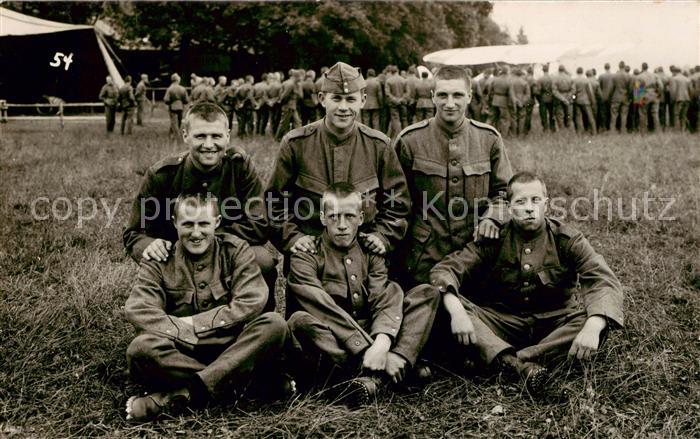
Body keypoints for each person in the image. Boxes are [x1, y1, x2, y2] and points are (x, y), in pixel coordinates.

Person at [430, 172, 624, 395]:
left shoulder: (567, 239)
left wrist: (594, 324)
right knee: (451, 305)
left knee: (595, 320)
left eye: (535, 200)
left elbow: (602, 279)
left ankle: (507, 362)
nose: (529, 208)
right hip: (502, 323)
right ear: (509, 208)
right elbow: (446, 270)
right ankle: (525, 368)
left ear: (546, 204)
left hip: (553, 325)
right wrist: (457, 312)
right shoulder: (495, 239)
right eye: (520, 202)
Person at [124, 193, 289, 422]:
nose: (196, 233)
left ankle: (185, 393)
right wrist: (182, 330)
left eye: (203, 224)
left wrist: (196, 323)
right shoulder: (159, 258)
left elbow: (252, 299)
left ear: (217, 223)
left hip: (231, 344)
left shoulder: (235, 250)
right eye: (188, 224)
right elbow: (138, 308)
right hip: (182, 350)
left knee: (274, 325)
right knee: (141, 349)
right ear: (174, 223)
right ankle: (243, 382)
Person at [266, 61, 411, 304]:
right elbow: (273, 203)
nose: (343, 107)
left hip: (364, 259)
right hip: (312, 259)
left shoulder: (379, 146)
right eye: (336, 99)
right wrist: (292, 238)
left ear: (363, 100)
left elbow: (398, 204)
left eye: (351, 100)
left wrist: (383, 237)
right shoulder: (296, 144)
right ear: (322, 99)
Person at [286, 183, 439, 404]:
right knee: (299, 321)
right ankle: (383, 372)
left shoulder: (370, 251)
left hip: (371, 330)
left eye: (349, 216)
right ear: (322, 218)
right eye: (333, 217)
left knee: (426, 294)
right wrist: (369, 349)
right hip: (335, 338)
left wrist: (383, 342)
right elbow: (322, 308)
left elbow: (383, 297)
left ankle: (386, 367)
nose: (341, 225)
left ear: (360, 217)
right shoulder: (306, 256)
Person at [123, 102, 279, 311]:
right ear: (185, 135)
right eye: (200, 136)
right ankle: (175, 324)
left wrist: (212, 242)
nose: (208, 144)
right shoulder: (163, 175)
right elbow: (134, 233)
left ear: (228, 136)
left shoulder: (239, 168)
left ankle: (258, 323)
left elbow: (259, 223)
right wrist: (149, 244)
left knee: (262, 260)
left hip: (228, 254)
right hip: (177, 256)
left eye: (216, 136)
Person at [393, 64, 513, 289]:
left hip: (476, 255)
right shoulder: (410, 141)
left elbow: (505, 192)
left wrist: (493, 217)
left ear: (469, 96)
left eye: (457, 95)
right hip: (423, 258)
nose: (450, 103)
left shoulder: (488, 139)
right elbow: (395, 201)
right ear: (432, 97)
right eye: (442, 95)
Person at [636, 62, 662, 133]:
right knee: (655, 114)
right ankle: (657, 131)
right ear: (648, 67)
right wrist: (658, 94)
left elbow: (637, 89)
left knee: (642, 114)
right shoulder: (655, 75)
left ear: (642, 67)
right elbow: (661, 86)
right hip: (654, 96)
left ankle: (643, 132)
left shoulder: (639, 76)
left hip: (644, 96)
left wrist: (638, 100)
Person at [488, 66, 515, 135]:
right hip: (503, 102)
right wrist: (514, 105)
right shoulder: (509, 81)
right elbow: (511, 95)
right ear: (507, 71)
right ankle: (503, 135)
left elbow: (490, 91)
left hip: (495, 100)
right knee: (504, 119)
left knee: (491, 118)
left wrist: (491, 99)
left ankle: (484, 133)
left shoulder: (495, 79)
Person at [163, 73, 189, 139]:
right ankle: (172, 135)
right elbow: (186, 100)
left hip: (172, 107)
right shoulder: (183, 89)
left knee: (173, 122)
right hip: (180, 107)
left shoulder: (169, 89)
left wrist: (170, 102)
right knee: (179, 121)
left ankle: (175, 136)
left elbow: (166, 99)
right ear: (178, 80)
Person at [572, 67, 597, 135]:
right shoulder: (586, 81)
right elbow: (590, 92)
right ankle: (594, 132)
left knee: (578, 117)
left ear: (577, 72)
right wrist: (593, 101)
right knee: (590, 117)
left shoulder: (575, 80)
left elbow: (573, 92)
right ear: (582, 72)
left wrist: (574, 99)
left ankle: (579, 132)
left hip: (578, 101)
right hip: (586, 101)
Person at [385, 65, 406, 138]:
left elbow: (387, 93)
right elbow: (407, 92)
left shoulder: (388, 81)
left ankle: (397, 135)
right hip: (402, 102)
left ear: (391, 72)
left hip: (393, 103)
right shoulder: (404, 80)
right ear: (398, 71)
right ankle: (405, 134)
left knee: (395, 119)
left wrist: (395, 100)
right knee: (404, 118)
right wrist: (401, 99)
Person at [610, 61, 632, 133]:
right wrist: (629, 97)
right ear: (624, 66)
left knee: (614, 114)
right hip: (625, 97)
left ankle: (612, 130)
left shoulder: (614, 76)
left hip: (616, 97)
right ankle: (623, 130)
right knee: (624, 114)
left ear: (619, 66)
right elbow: (630, 88)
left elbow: (611, 88)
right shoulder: (628, 76)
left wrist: (611, 96)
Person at [669, 66, 692, 132]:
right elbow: (690, 90)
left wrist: (672, 99)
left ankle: (677, 130)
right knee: (684, 115)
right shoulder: (687, 79)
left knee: (676, 115)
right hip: (687, 99)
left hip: (679, 99)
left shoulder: (674, 79)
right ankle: (683, 129)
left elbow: (673, 91)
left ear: (675, 72)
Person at [552, 65, 574, 131]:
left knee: (560, 115)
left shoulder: (555, 78)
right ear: (564, 70)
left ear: (558, 70)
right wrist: (567, 98)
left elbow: (554, 91)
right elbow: (573, 90)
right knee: (569, 114)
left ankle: (562, 129)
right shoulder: (570, 78)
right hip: (568, 98)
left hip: (559, 98)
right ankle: (568, 127)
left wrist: (562, 99)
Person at [536, 65, 555, 132]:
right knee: (552, 114)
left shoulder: (540, 79)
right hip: (551, 98)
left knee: (543, 114)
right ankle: (552, 128)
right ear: (548, 69)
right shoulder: (552, 78)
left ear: (542, 70)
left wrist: (539, 99)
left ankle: (545, 128)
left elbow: (538, 91)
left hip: (543, 98)